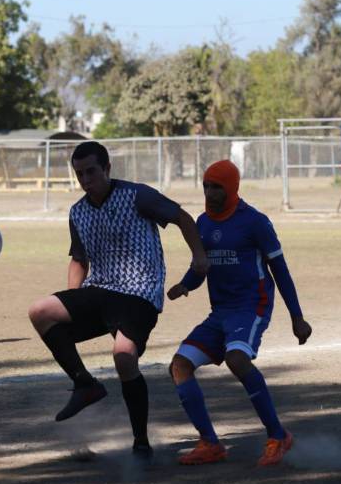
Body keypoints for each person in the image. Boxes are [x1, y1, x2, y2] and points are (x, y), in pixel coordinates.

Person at [27, 141, 209, 458]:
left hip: (139, 293)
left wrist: (199, 258)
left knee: (124, 357)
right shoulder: (78, 212)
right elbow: (79, 260)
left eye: (92, 171)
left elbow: (182, 217)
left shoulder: (137, 195)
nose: (86, 179)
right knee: (40, 312)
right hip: (100, 290)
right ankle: (85, 384)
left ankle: (140, 441)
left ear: (108, 169)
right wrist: (72, 299)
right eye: (80, 174)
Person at [167, 159, 312, 466]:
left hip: (251, 306)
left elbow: (280, 271)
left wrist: (297, 317)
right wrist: (185, 284)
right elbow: (201, 266)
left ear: (231, 188)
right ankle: (210, 444)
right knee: (179, 365)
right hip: (220, 312)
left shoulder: (254, 222)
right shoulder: (202, 223)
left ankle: (278, 436)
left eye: (216, 187)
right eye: (206, 185)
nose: (209, 192)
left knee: (236, 358)